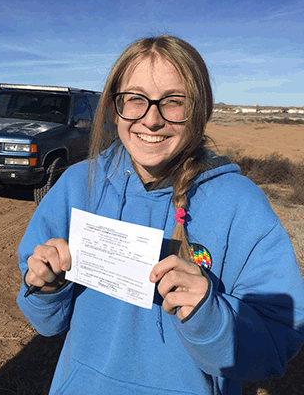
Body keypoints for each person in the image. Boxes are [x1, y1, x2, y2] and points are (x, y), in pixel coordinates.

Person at [17, 35, 304, 395]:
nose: (151, 120)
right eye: (135, 99)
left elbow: (278, 343)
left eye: (173, 102)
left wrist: (210, 315)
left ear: (199, 109)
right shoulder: (79, 184)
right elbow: (45, 322)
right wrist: (47, 288)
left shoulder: (239, 204)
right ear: (114, 106)